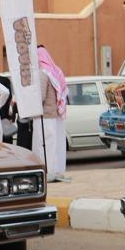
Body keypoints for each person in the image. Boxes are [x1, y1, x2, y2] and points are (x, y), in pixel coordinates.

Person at [37, 46, 69, 182]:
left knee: (45, 145)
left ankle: (48, 172)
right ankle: (57, 170)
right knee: (55, 144)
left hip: (45, 115)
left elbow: (40, 97)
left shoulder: (42, 73)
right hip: (56, 114)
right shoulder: (56, 71)